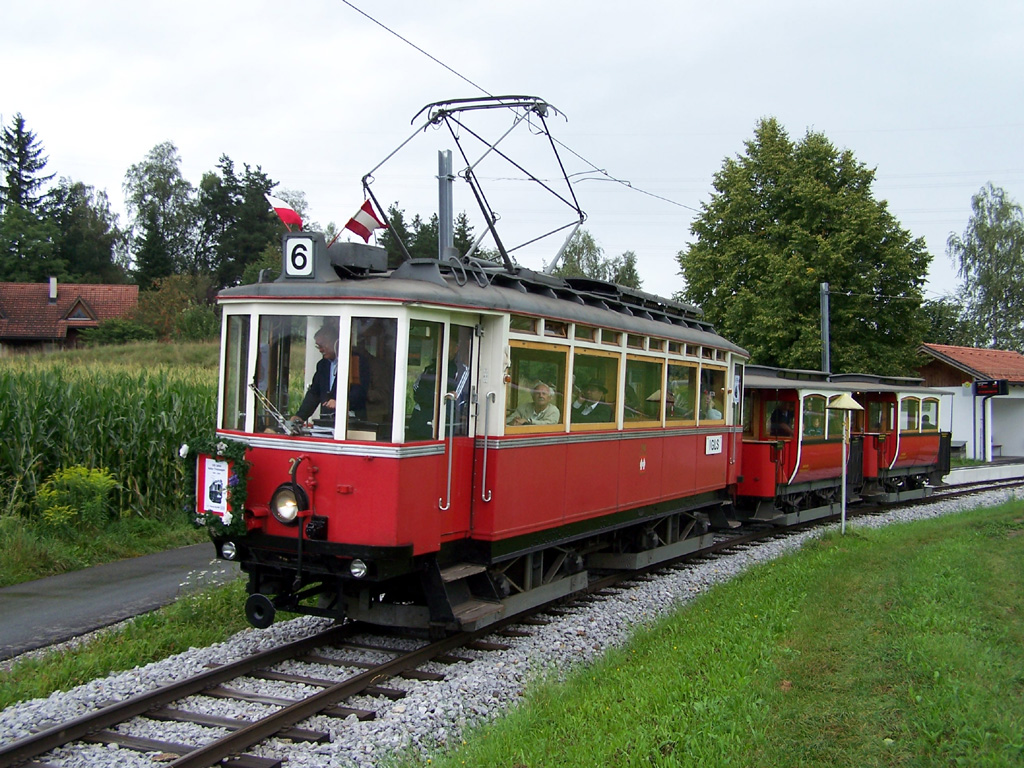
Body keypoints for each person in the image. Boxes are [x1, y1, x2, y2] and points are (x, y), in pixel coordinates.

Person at [293, 324, 339, 423]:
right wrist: (300, 416)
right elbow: (314, 393)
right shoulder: (322, 365)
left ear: (334, 343)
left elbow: (359, 392)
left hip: (350, 425)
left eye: (322, 346)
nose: (320, 350)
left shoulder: (353, 363)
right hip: (327, 422)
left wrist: (339, 402)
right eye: (318, 346)